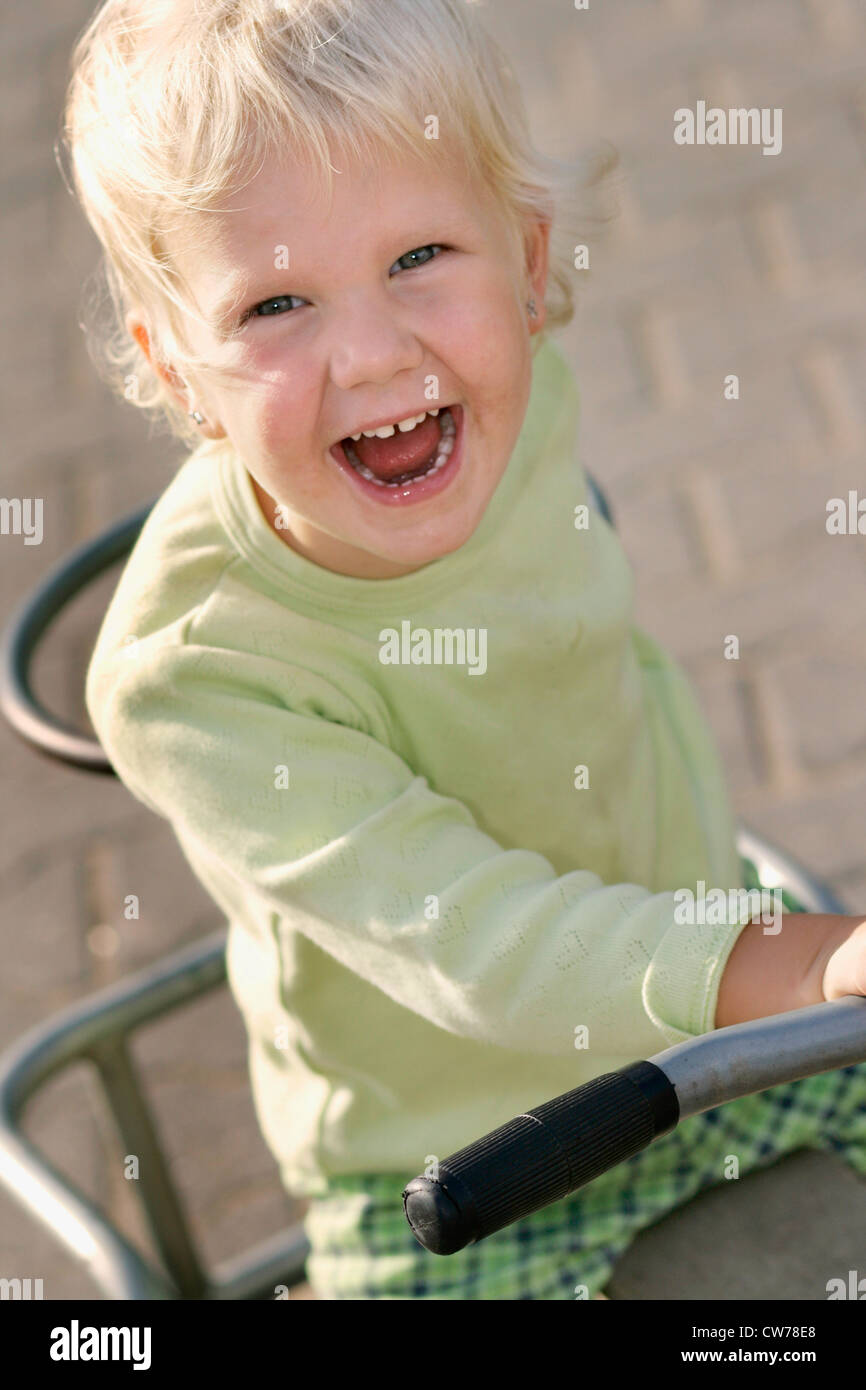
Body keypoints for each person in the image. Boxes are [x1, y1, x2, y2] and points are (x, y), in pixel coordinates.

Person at [67, 0, 866, 1298]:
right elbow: (475, 938)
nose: (374, 353)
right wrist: (798, 959)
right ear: (175, 366)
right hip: (461, 1165)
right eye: (275, 302)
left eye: (420, 255)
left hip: (705, 1031)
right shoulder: (195, 675)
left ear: (528, 259)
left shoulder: (512, 390)